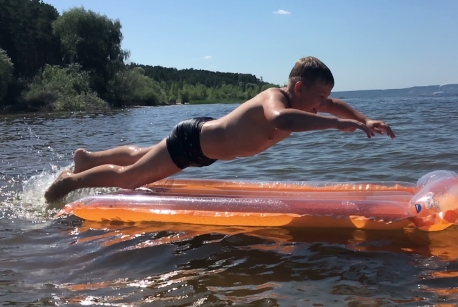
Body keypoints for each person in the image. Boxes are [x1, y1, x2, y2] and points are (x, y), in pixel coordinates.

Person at [44, 56, 395, 202]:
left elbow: (337, 106)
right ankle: (70, 182)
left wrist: (362, 120)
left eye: (327, 99)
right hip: (194, 142)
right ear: (299, 88)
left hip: (205, 144)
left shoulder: (307, 103)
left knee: (144, 156)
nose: (324, 104)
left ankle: (86, 158)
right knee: (132, 178)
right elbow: (280, 122)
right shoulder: (275, 100)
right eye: (319, 97)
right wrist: (335, 125)